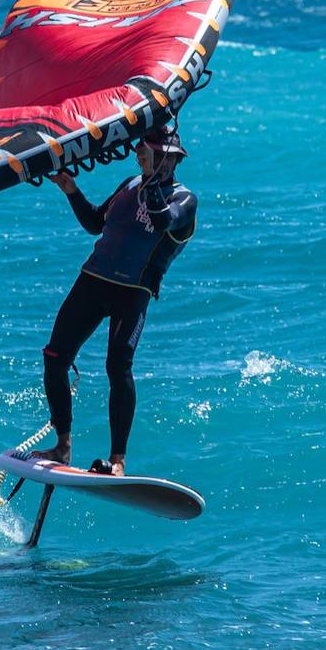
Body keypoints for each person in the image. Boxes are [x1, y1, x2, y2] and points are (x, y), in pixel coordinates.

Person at [30, 124, 197, 476]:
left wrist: (153, 177)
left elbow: (163, 220)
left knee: (117, 368)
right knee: (54, 358)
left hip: (132, 292)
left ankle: (118, 461)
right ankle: (62, 446)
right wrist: (71, 189)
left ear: (166, 158)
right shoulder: (129, 185)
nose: (137, 154)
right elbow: (94, 222)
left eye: (145, 150)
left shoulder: (184, 200)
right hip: (93, 279)